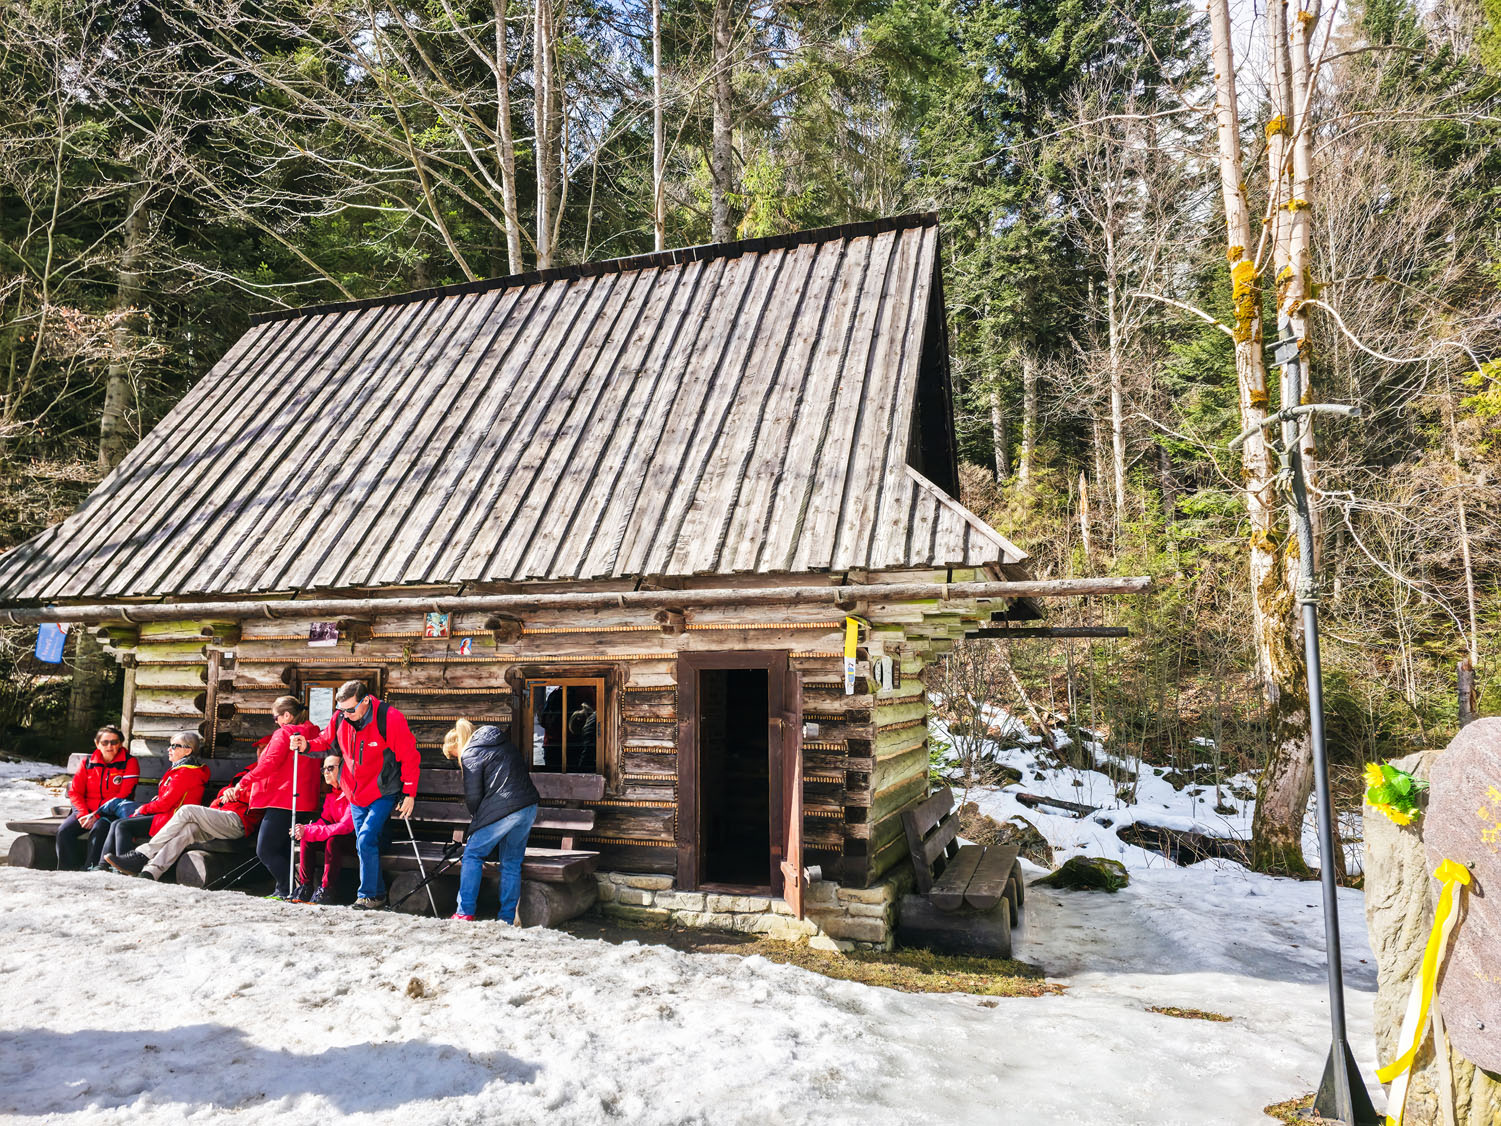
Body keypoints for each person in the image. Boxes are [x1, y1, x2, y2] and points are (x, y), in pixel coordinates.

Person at [291, 680, 419, 910]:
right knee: (363, 843)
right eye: (341, 709)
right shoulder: (340, 718)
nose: (346, 714)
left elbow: (409, 756)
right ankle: (377, 895)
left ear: (366, 701)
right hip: (355, 792)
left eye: (350, 709)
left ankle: (366, 895)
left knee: (366, 838)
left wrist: (409, 792)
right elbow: (326, 742)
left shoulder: (389, 718)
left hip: (383, 790)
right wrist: (306, 745)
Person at [222, 696, 321, 899]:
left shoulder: (285, 733)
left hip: (283, 798)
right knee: (283, 847)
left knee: (265, 849)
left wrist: (243, 783)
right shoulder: (312, 733)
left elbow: (270, 763)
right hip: (303, 799)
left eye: (276, 717)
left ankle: (286, 888)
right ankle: (287, 889)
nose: (276, 722)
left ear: (287, 715)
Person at [446, 720, 539, 924]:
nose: (456, 760)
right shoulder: (502, 743)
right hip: (528, 806)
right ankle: (506, 918)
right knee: (511, 863)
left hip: (503, 810)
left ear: (457, 746)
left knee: (472, 855)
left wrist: (476, 822)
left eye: (453, 756)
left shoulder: (470, 753)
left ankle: (464, 912)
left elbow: (473, 798)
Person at [104, 765, 262, 880]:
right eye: (258, 747)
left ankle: (142, 854)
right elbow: (222, 794)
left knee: (187, 810)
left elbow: (260, 796)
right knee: (188, 830)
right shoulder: (247, 770)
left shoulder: (267, 772)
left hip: (238, 821)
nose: (260, 751)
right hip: (219, 817)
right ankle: (150, 872)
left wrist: (237, 792)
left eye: (264, 748)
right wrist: (226, 792)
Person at [97, 732, 209, 864]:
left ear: (187, 750)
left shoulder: (186, 772)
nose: (169, 749)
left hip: (173, 820)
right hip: (166, 815)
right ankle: (103, 865)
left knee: (123, 826)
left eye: (174, 746)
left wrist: (143, 809)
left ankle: (127, 866)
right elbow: (168, 798)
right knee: (116, 823)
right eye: (170, 745)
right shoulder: (180, 769)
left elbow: (165, 804)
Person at [57, 726, 139, 871]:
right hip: (86, 810)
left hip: (113, 812)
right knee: (64, 831)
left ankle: (90, 867)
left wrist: (97, 814)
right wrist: (83, 814)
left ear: (120, 744)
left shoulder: (129, 762)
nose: (109, 746)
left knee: (99, 828)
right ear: (97, 744)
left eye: (114, 742)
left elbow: (123, 796)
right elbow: (75, 792)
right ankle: (68, 869)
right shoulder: (87, 763)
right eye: (105, 742)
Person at [291, 755, 353, 904]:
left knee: (333, 840)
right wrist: (305, 829)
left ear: (343, 769)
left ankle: (326, 889)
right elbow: (324, 821)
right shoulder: (332, 795)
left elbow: (346, 827)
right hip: (340, 837)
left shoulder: (352, 793)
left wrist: (311, 831)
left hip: (355, 838)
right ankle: (305, 887)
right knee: (307, 839)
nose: (325, 772)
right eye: (323, 769)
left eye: (330, 768)